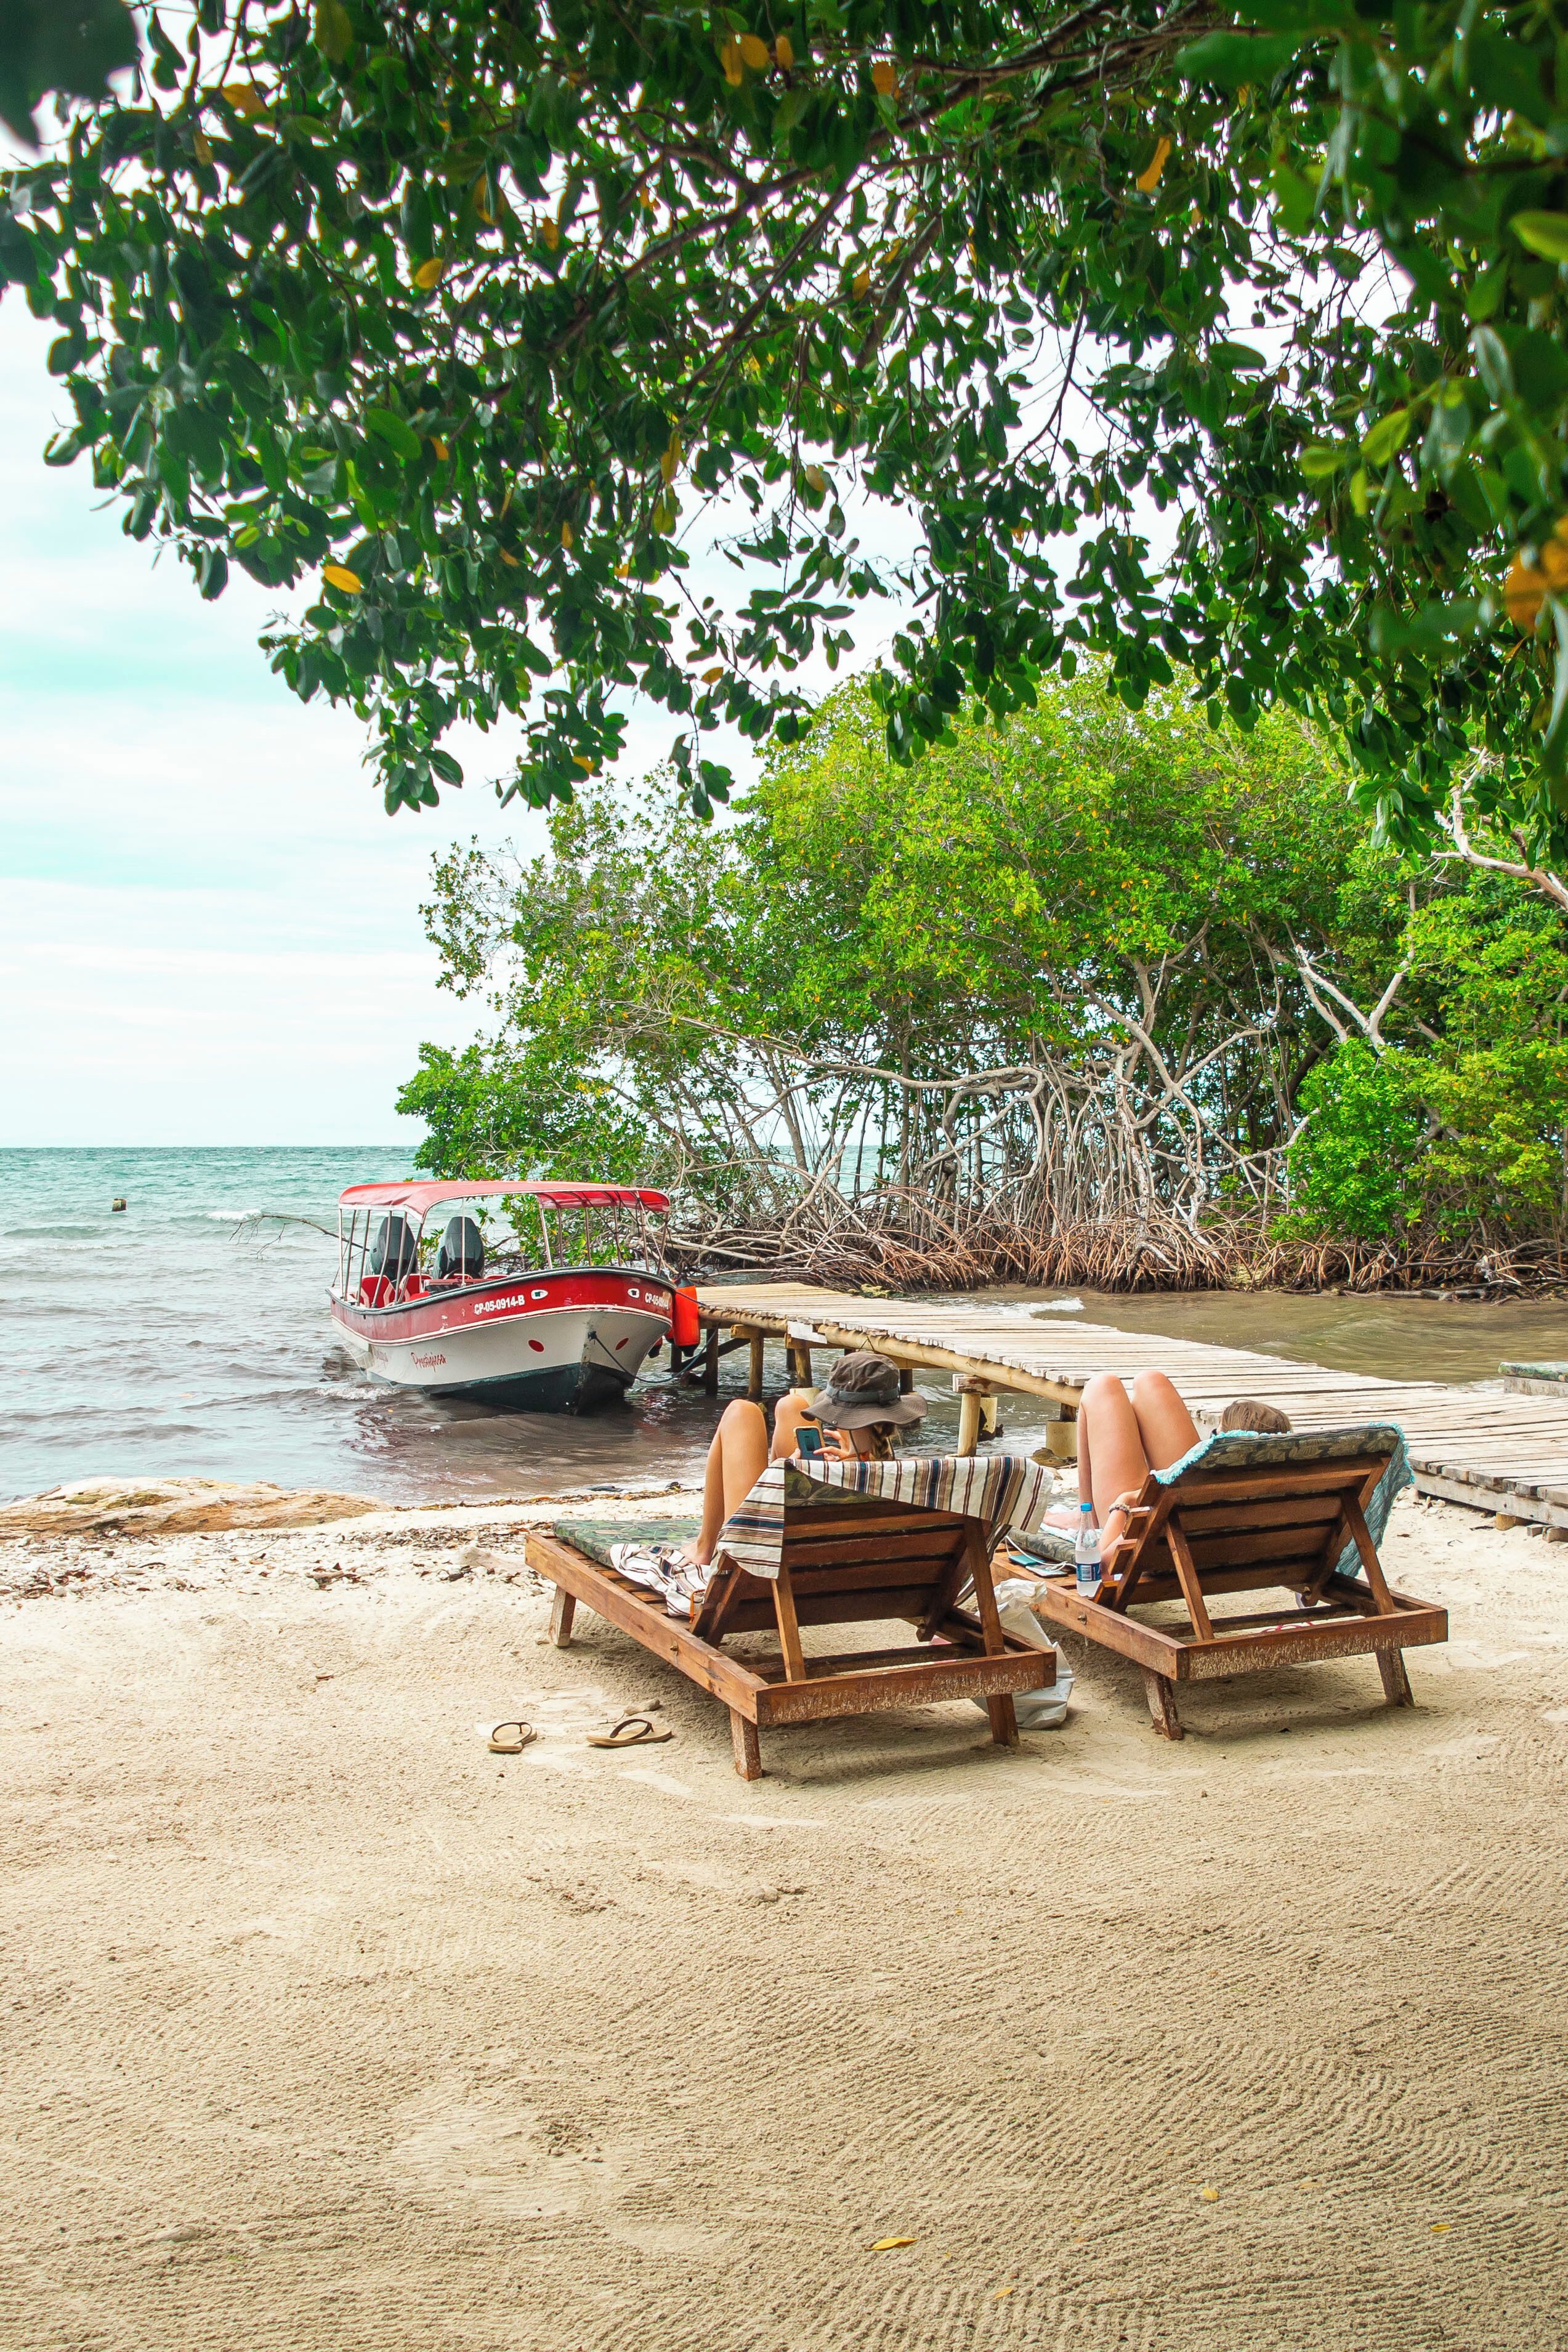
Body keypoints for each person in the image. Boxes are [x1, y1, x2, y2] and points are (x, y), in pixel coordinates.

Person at [682, 1351, 926, 1569]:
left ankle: (705, 1547)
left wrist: (783, 1474)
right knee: (792, 1406)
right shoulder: (918, 1475)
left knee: (741, 1412)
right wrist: (854, 1461)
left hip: (769, 1570)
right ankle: (704, 1546)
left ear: (838, 1414)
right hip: (862, 1570)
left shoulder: (841, 1477)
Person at [1067, 1373, 1291, 1565]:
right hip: (1211, 1533)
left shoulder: (1206, 1493)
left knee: (1102, 1387)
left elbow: (1104, 1564)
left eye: (1215, 1437)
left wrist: (1124, 1503)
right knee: (1150, 1380)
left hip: (1164, 1543)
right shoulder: (1289, 1489)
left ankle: (1085, 1517)